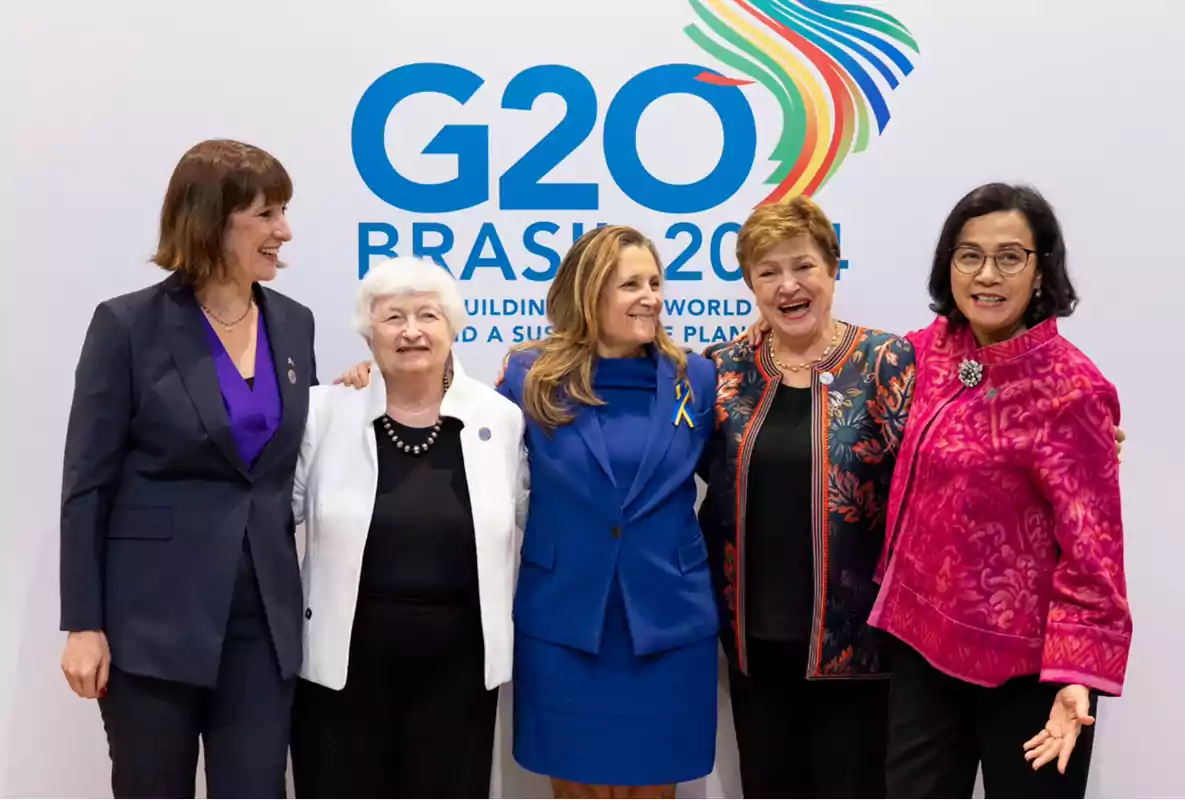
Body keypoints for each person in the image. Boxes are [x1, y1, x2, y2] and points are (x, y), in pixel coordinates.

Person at [59, 139, 316, 798]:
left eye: (283, 212)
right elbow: (87, 484)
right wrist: (83, 624)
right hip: (152, 624)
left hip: (262, 622)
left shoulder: (294, 324)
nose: (284, 231)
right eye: (268, 214)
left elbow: (299, 450)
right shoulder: (128, 325)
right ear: (212, 219)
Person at [868, 183, 1132, 798]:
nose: (987, 275)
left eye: (1010, 257)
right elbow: (841, 385)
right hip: (921, 650)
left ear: (1041, 271)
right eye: (970, 255)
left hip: (1030, 672)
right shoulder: (922, 352)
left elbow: (1094, 553)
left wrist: (1078, 678)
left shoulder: (1073, 391)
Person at [698, 196, 913, 798]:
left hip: (858, 646)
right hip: (753, 642)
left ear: (832, 270)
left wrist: (1055, 433)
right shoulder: (724, 368)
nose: (788, 285)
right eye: (768, 272)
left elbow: (951, 450)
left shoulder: (886, 361)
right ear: (750, 284)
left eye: (803, 266)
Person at [288, 256, 527, 798]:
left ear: (453, 329)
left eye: (428, 315)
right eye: (393, 318)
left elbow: (531, 519)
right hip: (344, 661)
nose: (412, 331)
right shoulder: (325, 412)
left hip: (459, 666)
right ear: (368, 335)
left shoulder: (500, 417)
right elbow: (278, 514)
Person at [497, 225, 718, 799]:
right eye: (630, 285)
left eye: (654, 282)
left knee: (653, 788)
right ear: (589, 293)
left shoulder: (695, 376)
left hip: (666, 619)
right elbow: (453, 419)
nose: (650, 296)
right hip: (567, 619)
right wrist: (367, 379)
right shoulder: (530, 376)